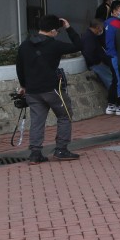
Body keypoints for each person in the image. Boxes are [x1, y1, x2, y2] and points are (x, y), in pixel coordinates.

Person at [16, 15, 83, 164]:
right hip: (52, 89)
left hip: (32, 91)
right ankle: (61, 150)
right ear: (53, 30)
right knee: (64, 116)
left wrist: (24, 86)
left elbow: (19, 68)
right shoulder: (55, 45)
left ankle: (35, 153)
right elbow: (79, 46)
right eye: (57, 31)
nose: (57, 33)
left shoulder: (25, 45)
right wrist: (69, 28)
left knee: (37, 121)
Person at [82, 19, 118, 114]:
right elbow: (89, 53)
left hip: (98, 62)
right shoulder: (89, 37)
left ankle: (115, 102)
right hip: (96, 64)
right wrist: (97, 62)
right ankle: (115, 102)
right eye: (101, 28)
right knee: (111, 81)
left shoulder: (90, 35)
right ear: (97, 27)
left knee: (111, 79)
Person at [103, 0, 120, 115]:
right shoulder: (117, 24)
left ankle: (111, 105)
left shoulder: (107, 22)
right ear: (114, 11)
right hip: (116, 55)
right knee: (119, 80)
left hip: (110, 54)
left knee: (114, 80)